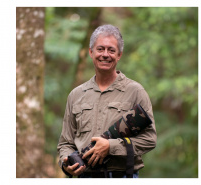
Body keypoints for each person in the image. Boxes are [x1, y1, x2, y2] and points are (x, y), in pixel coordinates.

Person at [57, 24, 157, 178]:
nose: (105, 54)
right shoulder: (76, 95)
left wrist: (111, 146)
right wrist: (66, 164)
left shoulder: (135, 91)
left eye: (111, 50)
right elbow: (65, 143)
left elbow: (150, 139)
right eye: (100, 49)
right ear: (91, 52)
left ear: (119, 55)